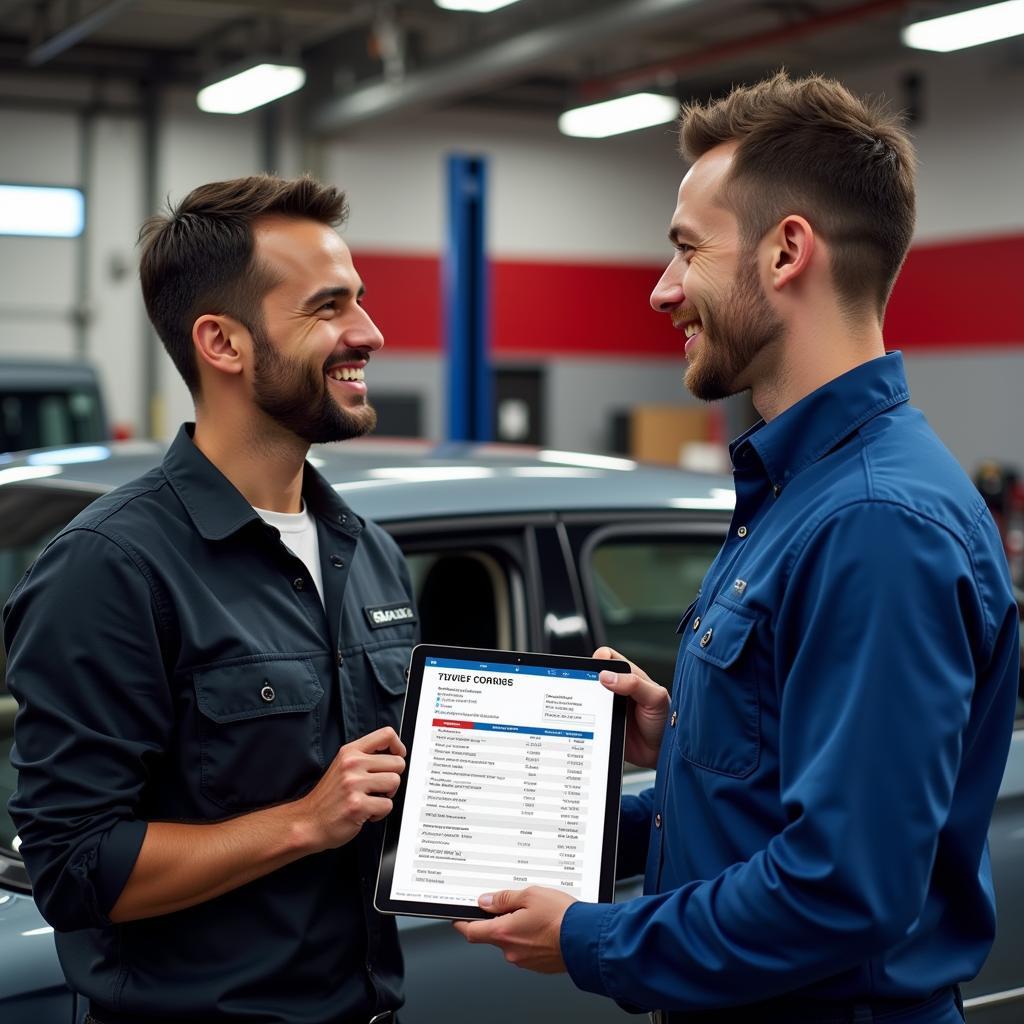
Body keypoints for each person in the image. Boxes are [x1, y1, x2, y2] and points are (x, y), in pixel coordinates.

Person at [454, 72, 1020, 1023]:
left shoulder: (876, 524)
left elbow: (842, 887)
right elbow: (782, 799)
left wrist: (589, 941)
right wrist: (682, 740)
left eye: (686, 251)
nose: (662, 289)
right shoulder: (800, 492)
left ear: (787, 251)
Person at [4, 175, 417, 1024]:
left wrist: (567, 740)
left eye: (361, 302)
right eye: (327, 307)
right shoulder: (109, 569)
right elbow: (75, 866)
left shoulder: (369, 553)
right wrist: (302, 822)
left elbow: (391, 800)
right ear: (221, 343)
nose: (368, 333)